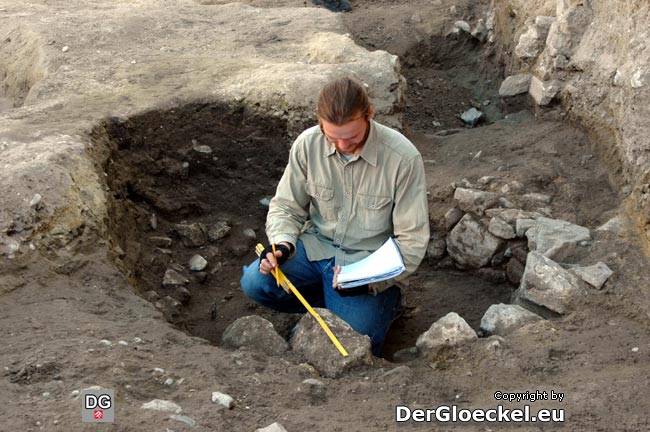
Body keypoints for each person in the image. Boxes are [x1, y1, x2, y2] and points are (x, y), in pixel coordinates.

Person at [240, 76, 429, 355]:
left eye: (352, 137)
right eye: (333, 137)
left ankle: (378, 305)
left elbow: (411, 242)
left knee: (358, 339)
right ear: (320, 123)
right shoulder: (307, 145)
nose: (342, 145)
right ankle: (331, 305)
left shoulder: (403, 159)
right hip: (316, 248)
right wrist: (282, 244)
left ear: (369, 115)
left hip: (366, 263)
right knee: (256, 282)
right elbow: (286, 207)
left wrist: (371, 282)